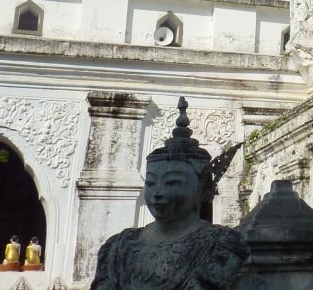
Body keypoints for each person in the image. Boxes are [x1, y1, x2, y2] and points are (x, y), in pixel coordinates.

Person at [91, 98, 246, 289]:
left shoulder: (221, 246)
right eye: (151, 182)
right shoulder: (119, 246)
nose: (158, 192)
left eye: (172, 182)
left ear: (204, 189)